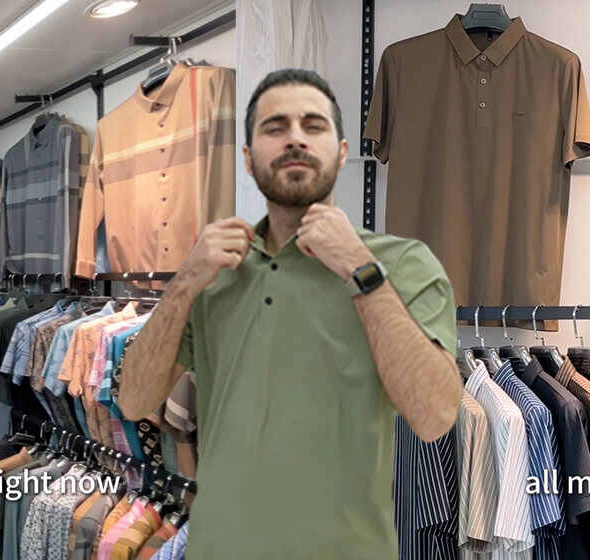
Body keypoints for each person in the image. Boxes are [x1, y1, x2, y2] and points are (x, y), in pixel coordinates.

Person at [119, 68, 463, 558]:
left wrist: (362, 270)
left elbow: (434, 418)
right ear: (248, 158)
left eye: (313, 125)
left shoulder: (404, 263)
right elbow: (134, 402)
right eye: (275, 127)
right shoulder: (216, 270)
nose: (295, 138)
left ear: (341, 152)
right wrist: (185, 282)